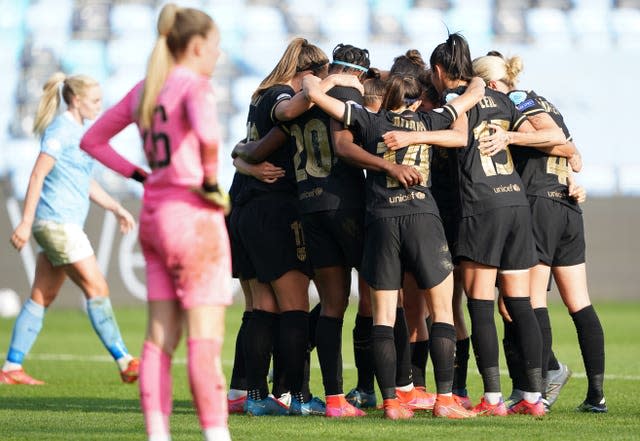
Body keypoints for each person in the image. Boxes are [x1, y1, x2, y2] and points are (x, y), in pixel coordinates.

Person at [383, 33, 566, 417]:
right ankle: (533, 398)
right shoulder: (504, 98)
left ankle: (493, 398)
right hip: (516, 202)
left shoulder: (455, 102)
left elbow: (457, 135)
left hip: (481, 206)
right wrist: (512, 135)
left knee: (479, 302)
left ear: (437, 71)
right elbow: (555, 136)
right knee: (520, 302)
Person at [80, 4, 231, 440]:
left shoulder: (147, 89)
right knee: (205, 341)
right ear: (198, 45)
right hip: (192, 216)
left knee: (158, 341)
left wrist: (140, 176)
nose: (218, 56)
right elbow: (207, 134)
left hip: (155, 213)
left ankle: (157, 434)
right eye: (216, 47)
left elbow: (92, 140)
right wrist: (208, 179)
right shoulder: (194, 86)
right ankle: (215, 434)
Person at [303, 72, 485, 419]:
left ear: (386, 97)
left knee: (383, 317)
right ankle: (445, 400)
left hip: (381, 221)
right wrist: (474, 80)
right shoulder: (429, 118)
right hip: (422, 216)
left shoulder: (369, 121)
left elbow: (317, 95)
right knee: (443, 311)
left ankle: (390, 403)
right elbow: (472, 95)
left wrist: (322, 81)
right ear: (416, 100)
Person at [233, 43, 373, 417]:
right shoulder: (284, 95)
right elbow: (294, 108)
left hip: (249, 207)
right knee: (295, 308)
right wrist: (331, 82)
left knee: (262, 306)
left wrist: (243, 161)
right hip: (279, 208)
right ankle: (298, 397)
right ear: (308, 71)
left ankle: (255, 396)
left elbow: (247, 147)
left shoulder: (259, 95)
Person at [472, 53, 606, 413]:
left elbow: (558, 141)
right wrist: (573, 180)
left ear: (490, 83)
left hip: (538, 205)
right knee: (577, 302)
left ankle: (540, 381)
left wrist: (510, 137)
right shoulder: (541, 100)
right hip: (565, 205)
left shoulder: (517, 99)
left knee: (522, 303)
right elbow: (571, 153)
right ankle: (595, 395)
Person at [1, 72, 138, 386]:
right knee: (97, 288)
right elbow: (36, 176)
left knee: (42, 295)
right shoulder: (61, 131)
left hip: (60, 224)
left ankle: (11, 367)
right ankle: (124, 360)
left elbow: (84, 181)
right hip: (57, 223)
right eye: (94, 101)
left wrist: (116, 208)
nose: (99, 107)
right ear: (76, 100)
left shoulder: (81, 132)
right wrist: (24, 221)